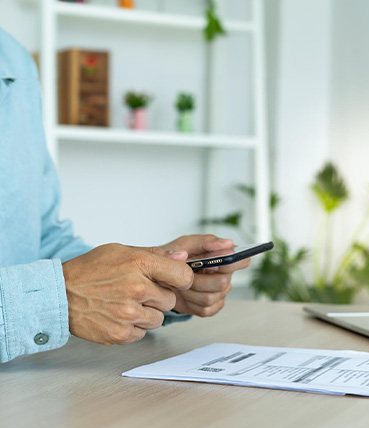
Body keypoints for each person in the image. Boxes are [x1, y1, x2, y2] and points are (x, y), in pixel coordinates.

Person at [0, 27, 249, 363]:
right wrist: (58, 299)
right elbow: (60, 289)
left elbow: (37, 241)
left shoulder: (13, 59)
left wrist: (153, 279)